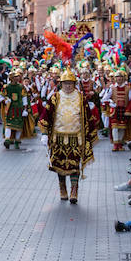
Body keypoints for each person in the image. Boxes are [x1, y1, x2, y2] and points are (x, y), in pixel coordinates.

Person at [41, 71, 98, 203]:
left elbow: (88, 117)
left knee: (74, 164)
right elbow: (46, 115)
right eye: (65, 83)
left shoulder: (81, 98)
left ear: (74, 84)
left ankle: (74, 190)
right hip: (58, 137)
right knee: (59, 164)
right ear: (61, 84)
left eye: (70, 83)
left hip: (76, 138)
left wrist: (90, 135)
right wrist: (44, 134)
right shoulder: (55, 97)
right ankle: (62, 188)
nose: (68, 86)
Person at [107, 69, 131, 151]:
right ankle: (115, 144)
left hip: (125, 110)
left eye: (120, 77)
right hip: (115, 110)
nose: (119, 79)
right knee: (114, 127)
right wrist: (112, 103)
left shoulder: (129, 86)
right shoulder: (112, 87)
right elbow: (105, 98)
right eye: (117, 77)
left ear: (124, 78)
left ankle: (120, 144)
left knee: (122, 127)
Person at [1, 69, 27, 149]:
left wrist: (25, 109)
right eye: (15, 77)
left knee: (19, 125)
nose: (17, 78)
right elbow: (1, 97)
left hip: (19, 108)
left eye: (18, 76)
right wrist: (6, 100)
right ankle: (7, 139)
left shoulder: (21, 87)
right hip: (10, 108)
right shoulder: (6, 87)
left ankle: (17, 141)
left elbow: (24, 97)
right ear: (11, 78)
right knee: (8, 124)